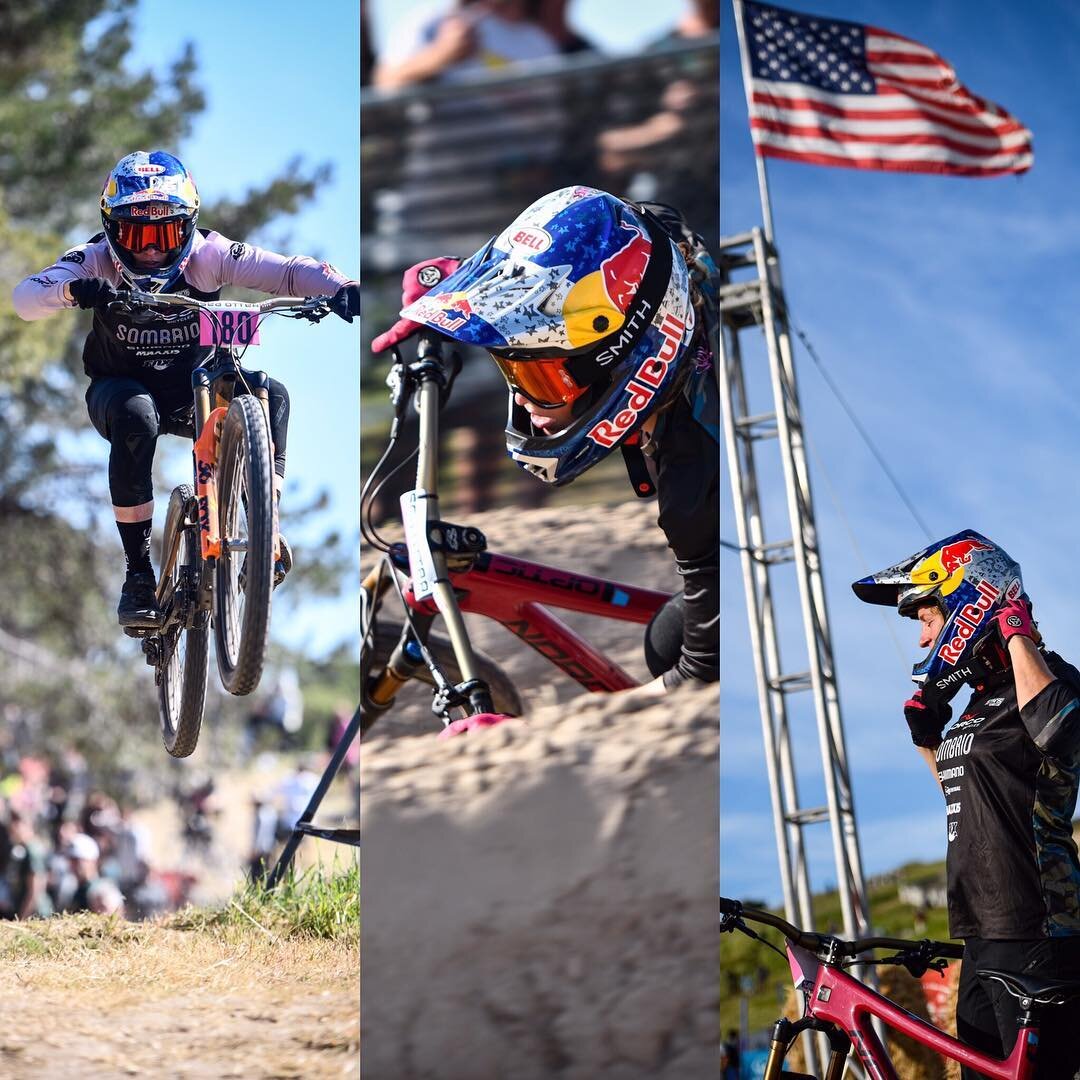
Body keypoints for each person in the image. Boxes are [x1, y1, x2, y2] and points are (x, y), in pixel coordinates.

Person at [372, 186, 719, 693]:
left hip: (751, 567)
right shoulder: (665, 251)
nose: (526, 401)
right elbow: (589, 257)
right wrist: (463, 286)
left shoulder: (697, 488)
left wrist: (598, 723)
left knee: (665, 648)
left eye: (543, 380)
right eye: (512, 372)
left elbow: (700, 675)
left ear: (621, 363)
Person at [12, 150, 361, 628]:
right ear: (112, 230)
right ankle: (137, 573)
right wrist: (75, 291)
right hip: (121, 391)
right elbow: (25, 298)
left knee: (270, 393)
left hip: (193, 387)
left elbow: (287, 271)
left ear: (189, 227)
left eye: (167, 233)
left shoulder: (210, 255)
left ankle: (264, 522)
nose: (153, 249)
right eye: (138, 235)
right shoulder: (94, 261)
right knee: (137, 417)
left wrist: (342, 287)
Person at [853, 529, 1080, 1078]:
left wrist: (1014, 627)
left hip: (1036, 921)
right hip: (979, 925)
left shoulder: (1054, 680)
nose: (923, 640)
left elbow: (1057, 732)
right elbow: (958, 797)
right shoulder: (978, 701)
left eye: (927, 621)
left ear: (966, 603)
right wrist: (928, 741)